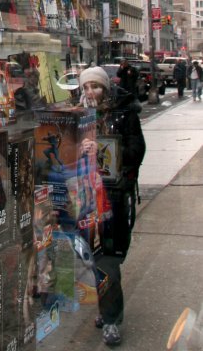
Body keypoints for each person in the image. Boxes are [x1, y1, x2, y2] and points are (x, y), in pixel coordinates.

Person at [79, 66, 146, 347]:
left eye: (95, 86)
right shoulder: (80, 116)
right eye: (85, 87)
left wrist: (103, 149)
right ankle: (107, 306)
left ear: (105, 87)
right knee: (94, 259)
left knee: (108, 259)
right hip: (86, 199)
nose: (90, 92)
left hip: (115, 198)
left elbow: (136, 151)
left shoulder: (125, 112)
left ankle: (111, 320)